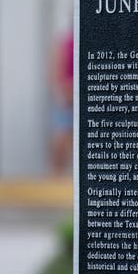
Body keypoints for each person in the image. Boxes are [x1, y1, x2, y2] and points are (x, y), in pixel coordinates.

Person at [50, 30, 74, 175]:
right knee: (61, 138)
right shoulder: (65, 42)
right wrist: (62, 93)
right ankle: (56, 176)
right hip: (66, 96)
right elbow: (55, 71)